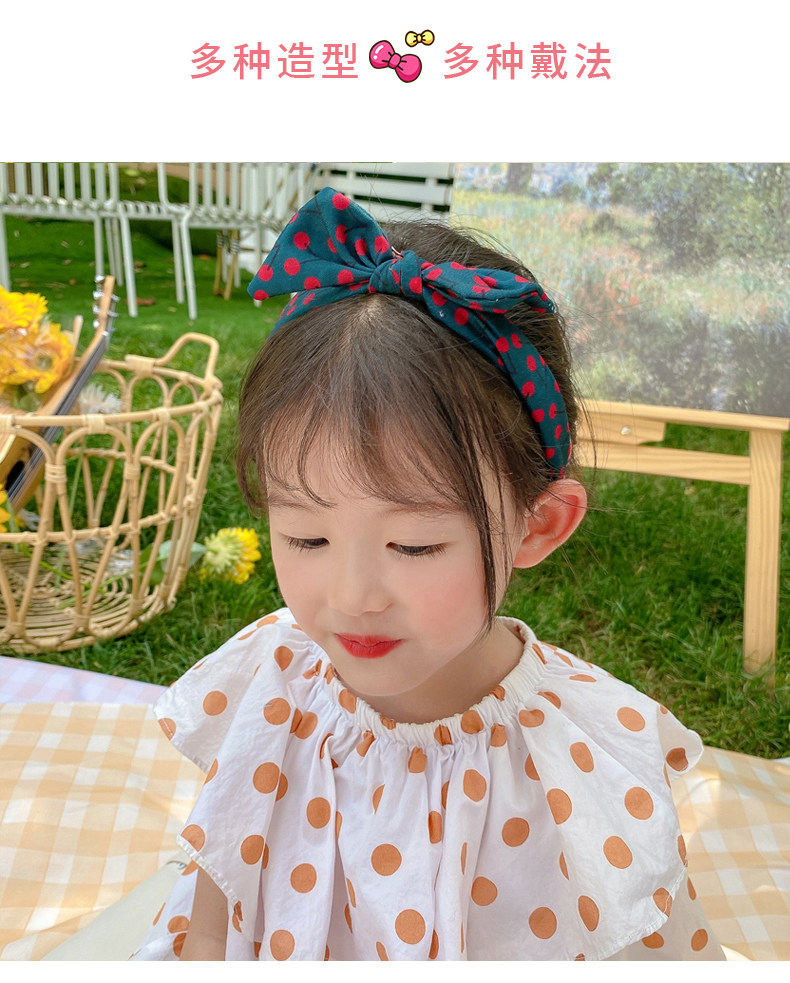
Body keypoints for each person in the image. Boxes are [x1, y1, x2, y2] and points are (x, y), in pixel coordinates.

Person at [130, 188, 723, 962]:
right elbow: (218, 900)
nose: (352, 597)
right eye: (306, 535)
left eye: (412, 546)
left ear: (539, 523)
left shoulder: (570, 755)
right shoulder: (273, 681)